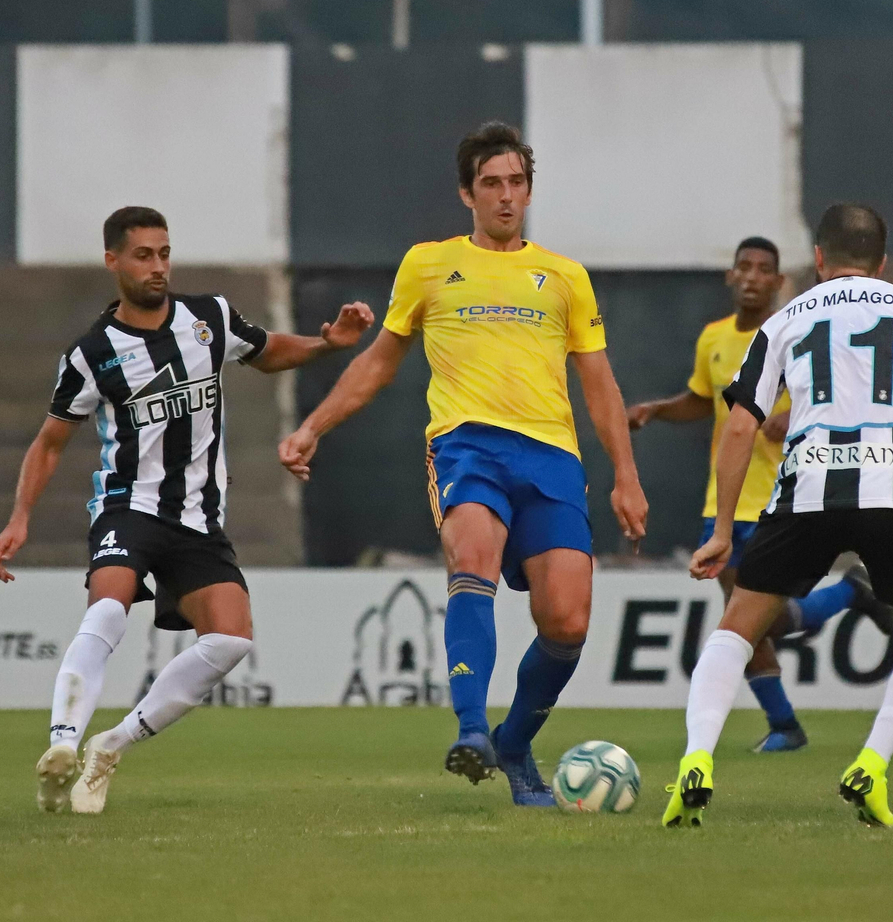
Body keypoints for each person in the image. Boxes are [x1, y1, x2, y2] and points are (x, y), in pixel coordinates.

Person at [278, 122, 648, 807]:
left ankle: (514, 743)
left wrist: (626, 475)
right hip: (466, 444)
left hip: (551, 455)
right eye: (491, 183)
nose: (506, 196)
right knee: (472, 555)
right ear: (466, 193)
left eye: (516, 183)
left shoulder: (565, 276)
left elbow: (599, 383)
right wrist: (312, 427)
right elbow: (378, 363)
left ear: (529, 191)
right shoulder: (428, 264)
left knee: (567, 621)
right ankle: (471, 730)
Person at [0, 206, 373, 814]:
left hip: (197, 518)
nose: (158, 266)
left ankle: (110, 747)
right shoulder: (92, 354)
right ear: (113, 260)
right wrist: (19, 518)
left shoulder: (209, 317)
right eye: (143, 255)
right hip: (128, 506)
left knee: (231, 640)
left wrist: (327, 343)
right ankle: (61, 742)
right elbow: (50, 442)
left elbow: (266, 350)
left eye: (164, 253)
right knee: (108, 608)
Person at [662, 204, 893, 830]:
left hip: (806, 490)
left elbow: (740, 426)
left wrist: (724, 530)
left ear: (819, 259)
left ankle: (696, 759)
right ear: (883, 261)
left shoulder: (784, 320)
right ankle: (872, 764)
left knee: (737, 630)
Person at [627, 235, 893, 753]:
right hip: (724, 503)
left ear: (777, 281)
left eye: (762, 269)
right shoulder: (713, 338)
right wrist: (657, 410)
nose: (752, 276)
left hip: (785, 496)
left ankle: (847, 597)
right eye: (744, 267)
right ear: (730, 276)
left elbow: (842, 394)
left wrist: (791, 415)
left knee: (753, 620)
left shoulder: (798, 330)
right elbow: (704, 399)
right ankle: (786, 721)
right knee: (743, 621)